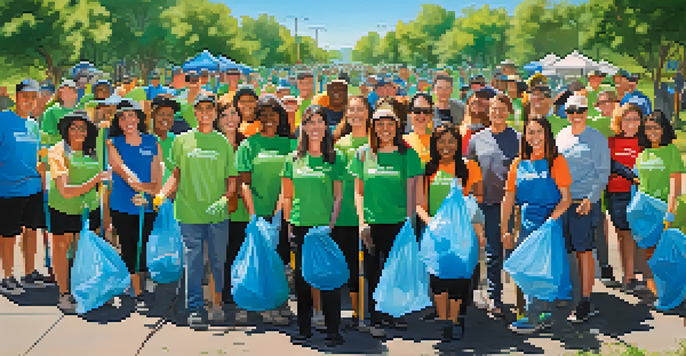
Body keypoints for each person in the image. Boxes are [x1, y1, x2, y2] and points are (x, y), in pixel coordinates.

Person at [350, 103, 423, 338]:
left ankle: (393, 314)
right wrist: (362, 222)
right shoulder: (363, 154)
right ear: (373, 127)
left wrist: (409, 222)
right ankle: (374, 318)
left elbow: (413, 190)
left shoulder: (407, 154)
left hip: (398, 223)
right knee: (372, 271)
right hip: (371, 223)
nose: (385, 129)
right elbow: (358, 192)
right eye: (380, 124)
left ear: (397, 127)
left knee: (395, 271)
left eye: (389, 124)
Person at [282, 105, 346, 346]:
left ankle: (333, 330)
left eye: (320, 121)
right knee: (302, 280)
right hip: (300, 227)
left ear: (326, 126)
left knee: (329, 279)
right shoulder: (293, 159)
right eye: (310, 122)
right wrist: (289, 226)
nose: (315, 126)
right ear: (304, 127)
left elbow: (338, 196)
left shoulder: (335, 158)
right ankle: (304, 328)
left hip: (325, 229)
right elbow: (287, 196)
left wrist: (329, 225)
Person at [502, 117, 573, 334]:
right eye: (530, 132)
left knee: (544, 270)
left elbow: (566, 199)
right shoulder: (518, 163)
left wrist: (551, 221)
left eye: (539, 132)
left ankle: (537, 315)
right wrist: (504, 229)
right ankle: (537, 314)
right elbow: (509, 198)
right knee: (527, 269)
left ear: (547, 134)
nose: (535, 137)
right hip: (526, 224)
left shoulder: (556, 161)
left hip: (548, 224)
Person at [416, 124, 485, 341]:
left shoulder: (469, 167)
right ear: (435, 145)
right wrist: (432, 224)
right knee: (438, 278)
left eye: (451, 141)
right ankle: (444, 320)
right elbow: (419, 205)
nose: (446, 146)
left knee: (459, 279)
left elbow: (478, 198)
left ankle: (455, 320)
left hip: (462, 235)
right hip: (436, 235)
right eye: (441, 141)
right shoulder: (427, 169)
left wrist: (476, 229)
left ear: (458, 143)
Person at [235, 94, 295, 325]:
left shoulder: (291, 144)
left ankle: (279, 304)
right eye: (264, 115)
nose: (269, 119)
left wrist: (282, 208)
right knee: (258, 262)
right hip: (258, 215)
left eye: (273, 114)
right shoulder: (248, 145)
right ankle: (259, 306)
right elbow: (244, 182)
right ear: (257, 118)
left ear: (280, 116)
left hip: (284, 214)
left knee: (280, 263)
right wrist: (253, 213)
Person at [47, 111, 110, 313]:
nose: (78, 132)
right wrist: (94, 181)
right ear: (66, 130)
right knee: (61, 247)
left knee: (83, 250)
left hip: (89, 209)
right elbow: (65, 190)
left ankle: (82, 289)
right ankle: (64, 293)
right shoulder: (58, 150)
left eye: (82, 127)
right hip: (63, 208)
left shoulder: (94, 150)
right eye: (73, 127)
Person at [555, 95, 610, 323]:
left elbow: (603, 171)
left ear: (587, 111)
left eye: (580, 110)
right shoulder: (561, 136)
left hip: (583, 203)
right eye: (571, 111)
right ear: (565, 113)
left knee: (584, 250)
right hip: (563, 202)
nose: (576, 115)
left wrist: (591, 198)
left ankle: (586, 299)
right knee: (566, 250)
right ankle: (572, 293)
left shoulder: (596, 138)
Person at [107, 98, 163, 313]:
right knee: (129, 248)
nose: (128, 120)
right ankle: (138, 293)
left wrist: (147, 193)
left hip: (147, 206)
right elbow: (120, 169)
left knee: (146, 247)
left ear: (139, 118)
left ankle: (144, 286)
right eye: (123, 117)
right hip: (122, 205)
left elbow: (157, 179)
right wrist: (140, 187)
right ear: (119, 122)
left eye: (132, 115)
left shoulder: (152, 142)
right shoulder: (113, 143)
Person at [467, 93, 520, 320]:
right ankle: (495, 298)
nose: (497, 113)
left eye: (502, 109)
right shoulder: (476, 139)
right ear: (488, 112)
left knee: (516, 252)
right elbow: (468, 173)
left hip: (513, 205)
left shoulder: (518, 139)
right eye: (493, 109)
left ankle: (522, 302)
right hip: (486, 205)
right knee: (492, 254)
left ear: (509, 112)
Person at [0, 79, 48, 294]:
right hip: (8, 188)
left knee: (31, 231)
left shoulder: (33, 124)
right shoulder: (3, 120)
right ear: (16, 96)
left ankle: (29, 273)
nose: (28, 101)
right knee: (8, 234)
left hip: (33, 187)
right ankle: (7, 276)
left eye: (32, 97)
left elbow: (35, 155)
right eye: (25, 96)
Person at [633, 110, 683, 306]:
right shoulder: (643, 153)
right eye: (648, 128)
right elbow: (640, 183)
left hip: (665, 210)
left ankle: (675, 293)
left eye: (656, 128)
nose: (651, 131)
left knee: (668, 256)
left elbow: (675, 186)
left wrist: (670, 212)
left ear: (664, 129)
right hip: (646, 213)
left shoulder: (671, 151)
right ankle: (659, 293)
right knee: (650, 254)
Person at [332, 95, 372, 326]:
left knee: (367, 266)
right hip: (344, 213)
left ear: (368, 112)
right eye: (352, 110)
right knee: (347, 265)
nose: (355, 114)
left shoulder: (374, 141)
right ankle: (349, 312)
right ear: (346, 114)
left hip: (370, 214)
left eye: (360, 109)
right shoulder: (340, 143)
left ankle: (366, 313)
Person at [213, 100, 251, 307]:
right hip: (217, 208)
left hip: (241, 210)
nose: (230, 119)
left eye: (234, 114)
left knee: (237, 253)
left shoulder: (246, 144)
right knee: (218, 256)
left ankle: (235, 294)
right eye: (224, 115)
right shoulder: (211, 143)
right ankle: (218, 297)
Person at [607, 104, 645, 293]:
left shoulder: (645, 142)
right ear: (619, 122)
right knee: (624, 234)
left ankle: (648, 277)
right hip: (618, 193)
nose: (631, 123)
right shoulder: (611, 142)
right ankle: (628, 276)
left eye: (635, 119)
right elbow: (608, 165)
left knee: (644, 234)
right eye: (627, 119)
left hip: (641, 193)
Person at [41, 80, 84, 147]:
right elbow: (45, 137)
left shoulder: (82, 112)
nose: (65, 94)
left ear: (76, 94)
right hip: (56, 152)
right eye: (62, 91)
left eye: (69, 91)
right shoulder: (51, 112)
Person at [404, 93, 436, 164]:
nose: (422, 115)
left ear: (432, 114)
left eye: (426, 111)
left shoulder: (440, 141)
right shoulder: (402, 141)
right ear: (410, 113)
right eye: (417, 111)